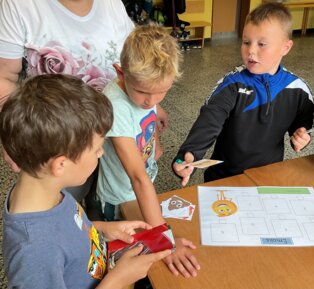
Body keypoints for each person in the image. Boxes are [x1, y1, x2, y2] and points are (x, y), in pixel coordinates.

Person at [0, 74, 171, 289]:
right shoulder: (35, 252)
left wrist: (101, 229)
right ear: (60, 165)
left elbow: (67, 227)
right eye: (97, 149)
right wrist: (118, 280)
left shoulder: (43, 189)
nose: (101, 154)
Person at [0, 0, 168, 201]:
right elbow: (4, 77)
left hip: (116, 134)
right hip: (61, 142)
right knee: (66, 207)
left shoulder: (113, 4)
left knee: (108, 203)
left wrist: (153, 108)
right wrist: (13, 134)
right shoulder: (18, 5)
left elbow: (140, 66)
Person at [95, 24, 200, 278]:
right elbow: (138, 178)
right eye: (143, 92)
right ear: (120, 74)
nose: (151, 101)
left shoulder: (145, 92)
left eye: (162, 92)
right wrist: (165, 240)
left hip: (141, 190)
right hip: (119, 199)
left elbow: (148, 109)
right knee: (131, 257)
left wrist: (155, 136)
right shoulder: (116, 105)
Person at [172, 2, 314, 185]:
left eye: (261, 44)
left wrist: (302, 137)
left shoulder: (299, 90)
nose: (251, 51)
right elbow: (208, 123)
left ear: (285, 47)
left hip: (267, 178)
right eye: (246, 42)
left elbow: (304, 126)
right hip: (224, 178)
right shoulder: (232, 85)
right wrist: (189, 155)